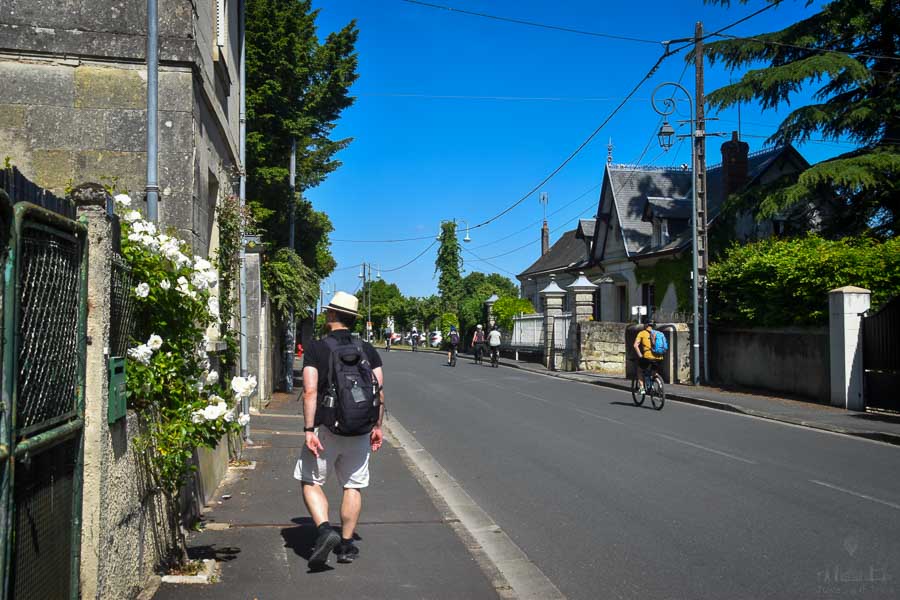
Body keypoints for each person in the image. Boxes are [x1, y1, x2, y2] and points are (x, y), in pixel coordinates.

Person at [296, 291, 385, 568]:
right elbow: (379, 391)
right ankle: (346, 546)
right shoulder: (367, 349)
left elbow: (310, 391)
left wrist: (309, 429)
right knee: (353, 485)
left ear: (332, 315)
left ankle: (324, 530)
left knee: (310, 480)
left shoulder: (317, 348)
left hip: (326, 428)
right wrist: (378, 426)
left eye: (327, 312)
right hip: (360, 429)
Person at [632, 321, 663, 394]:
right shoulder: (658, 333)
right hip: (659, 357)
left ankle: (642, 389)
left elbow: (635, 345)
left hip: (648, 356)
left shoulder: (642, 333)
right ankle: (660, 384)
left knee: (639, 370)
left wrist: (640, 356)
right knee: (654, 373)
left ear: (646, 325)